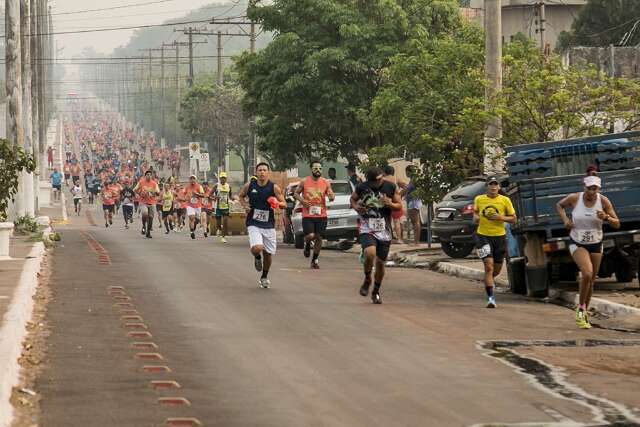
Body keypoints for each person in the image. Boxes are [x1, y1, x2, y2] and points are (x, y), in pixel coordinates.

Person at [556, 175, 620, 329]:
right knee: (586, 273)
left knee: (591, 280)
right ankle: (580, 309)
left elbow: (617, 223)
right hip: (577, 242)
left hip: (596, 243)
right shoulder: (574, 198)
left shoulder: (603, 201)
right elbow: (559, 205)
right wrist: (565, 220)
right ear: (584, 187)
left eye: (595, 188)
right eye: (589, 188)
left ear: (598, 189)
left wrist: (607, 218)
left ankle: (583, 310)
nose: (592, 191)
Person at [351, 167, 402, 304]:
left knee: (380, 264)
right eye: (375, 181)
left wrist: (389, 203)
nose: (378, 183)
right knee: (369, 253)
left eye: (380, 180)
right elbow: (353, 199)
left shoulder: (391, 187)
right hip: (367, 226)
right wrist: (356, 207)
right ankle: (367, 278)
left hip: (384, 230)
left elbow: (399, 206)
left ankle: (376, 291)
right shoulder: (361, 187)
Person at [238, 163, 286, 288]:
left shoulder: (274, 188)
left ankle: (264, 277)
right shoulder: (250, 185)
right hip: (253, 222)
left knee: (268, 254)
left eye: (264, 170)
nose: (262, 172)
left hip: (269, 224)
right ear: (256, 172)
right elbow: (241, 196)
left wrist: (277, 202)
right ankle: (257, 257)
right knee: (257, 248)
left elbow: (284, 204)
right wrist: (245, 206)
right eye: (260, 170)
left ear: (268, 172)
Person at [472, 176, 516, 309]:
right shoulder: (479, 199)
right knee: (489, 266)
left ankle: (488, 280)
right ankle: (491, 299)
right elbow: (475, 213)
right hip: (483, 236)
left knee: (495, 270)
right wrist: (476, 218)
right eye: (490, 184)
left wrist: (500, 217)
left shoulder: (505, 200)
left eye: (495, 184)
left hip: (499, 238)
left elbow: (513, 219)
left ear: (499, 187)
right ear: (487, 187)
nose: (493, 187)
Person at [295, 160, 335, 269]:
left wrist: (331, 196)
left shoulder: (326, 182)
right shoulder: (304, 181)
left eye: (320, 168)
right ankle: (307, 244)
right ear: (311, 169)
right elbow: (296, 193)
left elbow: (331, 196)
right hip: (308, 214)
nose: (318, 170)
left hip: (321, 214)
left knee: (319, 238)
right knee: (310, 236)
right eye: (315, 168)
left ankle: (314, 260)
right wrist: (302, 201)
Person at [134, 170, 160, 238]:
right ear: (145, 176)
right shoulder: (141, 182)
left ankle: (148, 232)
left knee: (151, 218)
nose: (149, 176)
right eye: (147, 174)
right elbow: (135, 190)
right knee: (145, 213)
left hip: (152, 202)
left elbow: (158, 192)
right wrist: (139, 194)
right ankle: (143, 226)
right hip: (143, 202)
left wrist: (155, 193)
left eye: (150, 175)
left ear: (151, 176)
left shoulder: (154, 183)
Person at [383, 165, 405, 244]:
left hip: (385, 201)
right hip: (395, 202)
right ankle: (399, 239)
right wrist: (400, 194)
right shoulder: (396, 179)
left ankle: (389, 238)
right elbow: (405, 186)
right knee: (397, 221)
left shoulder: (383, 179)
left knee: (387, 221)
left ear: (385, 172)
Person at [402, 165, 422, 246]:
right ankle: (416, 241)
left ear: (409, 172)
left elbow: (408, 189)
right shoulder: (412, 180)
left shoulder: (414, 180)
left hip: (414, 201)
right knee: (414, 222)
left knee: (416, 222)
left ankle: (416, 242)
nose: (406, 174)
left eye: (406, 172)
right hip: (412, 201)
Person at [213, 172, 232, 243]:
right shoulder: (216, 186)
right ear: (220, 178)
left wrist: (234, 199)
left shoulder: (228, 186)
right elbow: (210, 195)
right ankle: (219, 229)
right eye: (221, 178)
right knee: (218, 223)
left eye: (224, 178)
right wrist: (215, 197)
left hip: (226, 207)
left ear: (226, 179)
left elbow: (230, 196)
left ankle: (223, 237)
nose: (223, 179)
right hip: (218, 207)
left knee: (225, 221)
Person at [184, 175, 205, 240]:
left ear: (195, 180)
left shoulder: (199, 186)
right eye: (191, 179)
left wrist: (197, 194)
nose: (192, 180)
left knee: (197, 220)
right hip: (190, 205)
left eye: (193, 179)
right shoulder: (187, 187)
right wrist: (186, 197)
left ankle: (192, 229)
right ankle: (192, 232)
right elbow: (183, 193)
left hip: (198, 206)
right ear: (189, 180)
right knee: (192, 217)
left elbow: (203, 195)